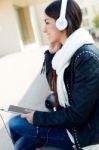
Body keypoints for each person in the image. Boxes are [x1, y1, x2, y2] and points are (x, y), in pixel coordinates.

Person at [8, 0, 99, 150]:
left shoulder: (85, 57)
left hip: (81, 133)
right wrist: (51, 55)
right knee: (22, 144)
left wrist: (37, 117)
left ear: (62, 23)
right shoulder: (67, 52)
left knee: (15, 123)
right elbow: (54, 87)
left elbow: (78, 115)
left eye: (47, 22)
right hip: (71, 123)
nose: (44, 29)